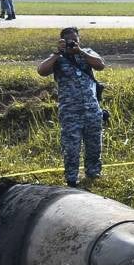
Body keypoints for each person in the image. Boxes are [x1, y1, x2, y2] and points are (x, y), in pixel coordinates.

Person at [36, 27, 107, 187]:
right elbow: (41, 71)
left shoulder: (86, 52)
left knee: (94, 145)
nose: (72, 42)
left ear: (79, 39)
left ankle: (93, 175)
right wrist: (57, 53)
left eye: (75, 39)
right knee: (71, 148)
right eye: (68, 40)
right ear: (62, 41)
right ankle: (71, 179)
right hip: (70, 112)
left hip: (92, 110)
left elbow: (100, 65)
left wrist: (80, 51)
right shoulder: (58, 58)